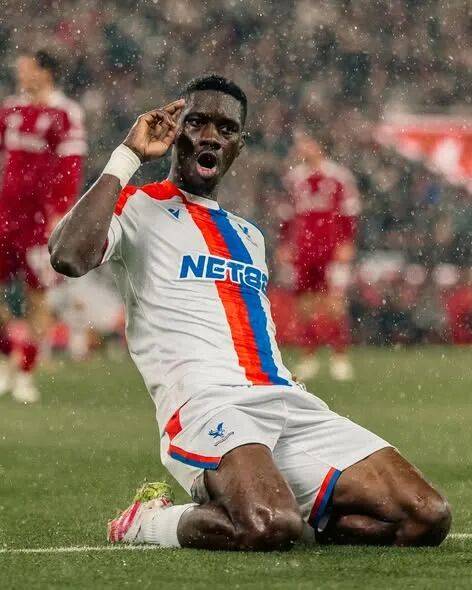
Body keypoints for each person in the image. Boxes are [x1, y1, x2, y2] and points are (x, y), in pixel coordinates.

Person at [49, 75, 450, 550]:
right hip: (206, 406)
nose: (210, 136)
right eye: (196, 123)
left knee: (426, 516)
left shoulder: (249, 235)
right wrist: (127, 156)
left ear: (239, 145)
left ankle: (282, 509)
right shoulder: (137, 207)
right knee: (268, 525)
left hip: (285, 402)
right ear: (175, 132)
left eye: (226, 129)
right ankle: (147, 523)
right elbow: (68, 255)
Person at [0, 49, 86, 402]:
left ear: (45, 72)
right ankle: (8, 353)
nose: (20, 73)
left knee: (38, 298)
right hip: (5, 216)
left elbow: (71, 166)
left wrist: (59, 212)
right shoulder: (10, 109)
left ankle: (24, 373)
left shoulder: (66, 113)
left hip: (39, 222)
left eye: (27, 68)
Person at [284, 132, 360, 381]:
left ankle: (340, 356)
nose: (303, 148)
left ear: (319, 146)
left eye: (308, 143)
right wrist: (285, 243)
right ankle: (309, 356)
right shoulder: (295, 178)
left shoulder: (339, 177)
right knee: (305, 304)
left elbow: (350, 211)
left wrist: (346, 241)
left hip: (331, 249)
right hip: (304, 249)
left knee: (334, 302)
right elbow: (287, 214)